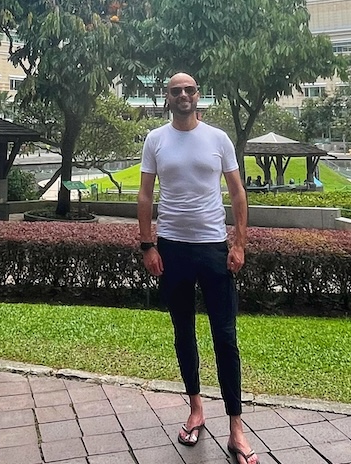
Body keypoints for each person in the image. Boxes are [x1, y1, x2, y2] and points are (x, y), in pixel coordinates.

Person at [138, 73, 259, 464]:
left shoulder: (218, 138)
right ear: (168, 98)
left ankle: (236, 428)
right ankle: (195, 407)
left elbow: (237, 191)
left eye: (189, 89)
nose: (184, 95)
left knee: (225, 337)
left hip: (212, 248)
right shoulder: (155, 139)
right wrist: (147, 244)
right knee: (183, 332)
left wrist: (238, 242)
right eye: (177, 91)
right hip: (172, 249)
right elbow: (145, 193)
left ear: (197, 96)